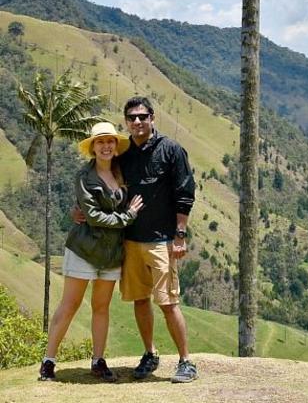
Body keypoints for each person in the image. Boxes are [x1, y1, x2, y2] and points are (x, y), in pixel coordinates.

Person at [76, 96, 198, 383]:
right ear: (126, 122)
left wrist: (180, 235)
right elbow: (101, 178)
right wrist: (79, 208)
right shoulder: (124, 154)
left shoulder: (171, 150)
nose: (138, 122)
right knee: (140, 300)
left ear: (152, 118)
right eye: (132, 118)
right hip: (130, 240)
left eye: (143, 116)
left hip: (162, 240)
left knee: (168, 302)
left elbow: (185, 193)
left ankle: (186, 361)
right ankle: (149, 353)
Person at [39, 122, 144, 382]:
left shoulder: (123, 173)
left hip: (110, 254)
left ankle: (98, 361)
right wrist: (127, 216)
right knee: (70, 304)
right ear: (93, 148)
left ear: (115, 146)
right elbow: (94, 217)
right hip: (84, 249)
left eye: (110, 141)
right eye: (100, 142)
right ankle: (48, 362)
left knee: (101, 307)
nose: (106, 146)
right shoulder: (84, 177)